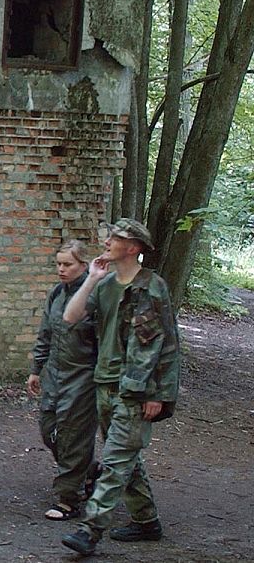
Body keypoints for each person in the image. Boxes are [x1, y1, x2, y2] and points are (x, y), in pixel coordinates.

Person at [59, 219, 181, 556]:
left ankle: (90, 529)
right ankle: (146, 521)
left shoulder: (152, 287)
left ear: (134, 247)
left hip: (135, 389)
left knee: (115, 460)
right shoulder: (106, 284)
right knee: (126, 456)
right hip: (105, 383)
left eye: (117, 238)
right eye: (110, 236)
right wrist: (93, 279)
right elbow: (70, 317)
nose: (108, 241)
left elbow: (165, 346)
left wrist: (158, 394)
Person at [27, 240, 100, 521]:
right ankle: (89, 470)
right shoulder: (57, 293)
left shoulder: (94, 295)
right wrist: (37, 368)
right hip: (55, 375)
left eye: (67, 264)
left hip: (83, 378)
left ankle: (68, 500)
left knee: (72, 438)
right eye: (58, 264)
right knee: (49, 431)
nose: (61, 269)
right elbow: (46, 333)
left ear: (84, 265)